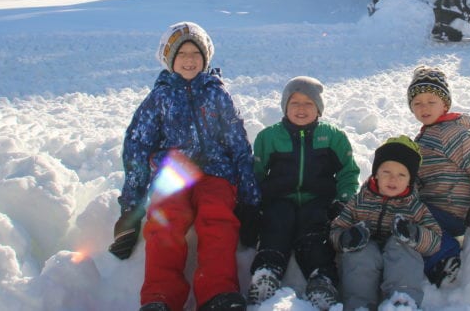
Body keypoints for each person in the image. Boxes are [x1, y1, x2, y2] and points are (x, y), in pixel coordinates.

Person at [109, 21, 260, 311]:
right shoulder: (159, 98)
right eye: (182, 54)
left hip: (216, 172)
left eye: (196, 53)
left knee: (217, 220)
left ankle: (218, 293)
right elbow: (137, 148)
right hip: (172, 173)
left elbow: (239, 145)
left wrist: (250, 202)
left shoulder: (217, 94)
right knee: (166, 221)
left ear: (206, 58)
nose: (190, 60)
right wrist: (130, 209)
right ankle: (160, 297)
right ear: (169, 59)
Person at [247, 76, 360, 309]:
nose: (301, 109)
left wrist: (343, 200)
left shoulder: (332, 137)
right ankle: (267, 271)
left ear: (318, 109)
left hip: (318, 200)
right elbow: (256, 174)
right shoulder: (269, 137)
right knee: (276, 223)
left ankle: (322, 277)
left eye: (308, 103)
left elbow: (348, 173)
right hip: (279, 199)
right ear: (285, 107)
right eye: (294, 103)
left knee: (314, 231)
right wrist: (251, 203)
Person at [407, 65, 470, 287]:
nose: (424, 108)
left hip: (453, 210)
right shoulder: (425, 137)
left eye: (431, 101)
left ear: (445, 104)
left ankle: (444, 256)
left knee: (410, 220)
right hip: (437, 208)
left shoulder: (452, 133)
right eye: (417, 103)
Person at [330, 136, 441, 310]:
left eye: (401, 174)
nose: (393, 179)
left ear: (410, 179)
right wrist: (347, 238)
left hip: (398, 259)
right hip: (367, 255)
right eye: (386, 172)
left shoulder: (415, 207)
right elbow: (337, 228)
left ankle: (403, 301)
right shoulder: (360, 201)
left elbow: (435, 240)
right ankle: (359, 304)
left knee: (403, 248)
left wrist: (414, 234)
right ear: (376, 174)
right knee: (360, 253)